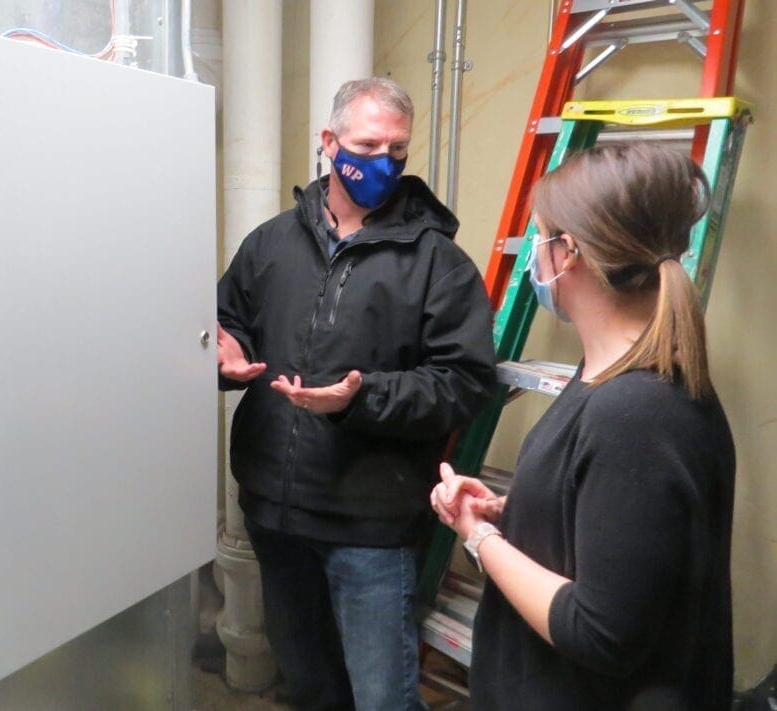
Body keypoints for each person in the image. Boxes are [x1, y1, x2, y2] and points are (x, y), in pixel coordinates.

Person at [218, 77, 497, 711]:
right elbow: (223, 319)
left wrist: (359, 399)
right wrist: (222, 351)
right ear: (328, 141)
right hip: (274, 511)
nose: (383, 163)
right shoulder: (269, 244)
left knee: (382, 699)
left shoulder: (437, 262)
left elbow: (465, 382)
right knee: (310, 686)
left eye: (397, 151)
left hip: (368, 527)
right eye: (367, 145)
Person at [431, 142, 735, 710]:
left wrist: (478, 536)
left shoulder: (639, 413)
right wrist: (515, 509)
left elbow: (602, 632)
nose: (532, 256)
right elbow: (616, 523)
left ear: (567, 252)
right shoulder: (601, 374)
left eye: (539, 237)